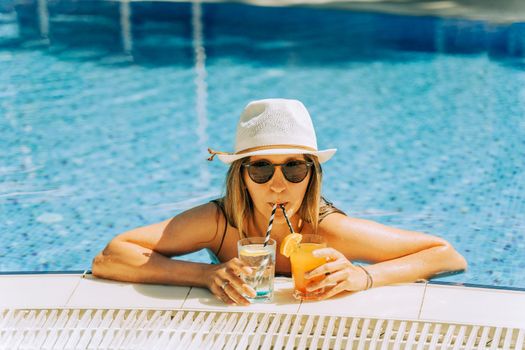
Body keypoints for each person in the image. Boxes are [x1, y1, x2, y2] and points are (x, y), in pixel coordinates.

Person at [92, 98, 467, 305]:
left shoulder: (327, 230)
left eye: (293, 169)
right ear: (241, 176)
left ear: (312, 176)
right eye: (260, 169)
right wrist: (207, 275)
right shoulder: (220, 222)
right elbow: (110, 257)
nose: (276, 185)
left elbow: (447, 256)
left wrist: (362, 276)